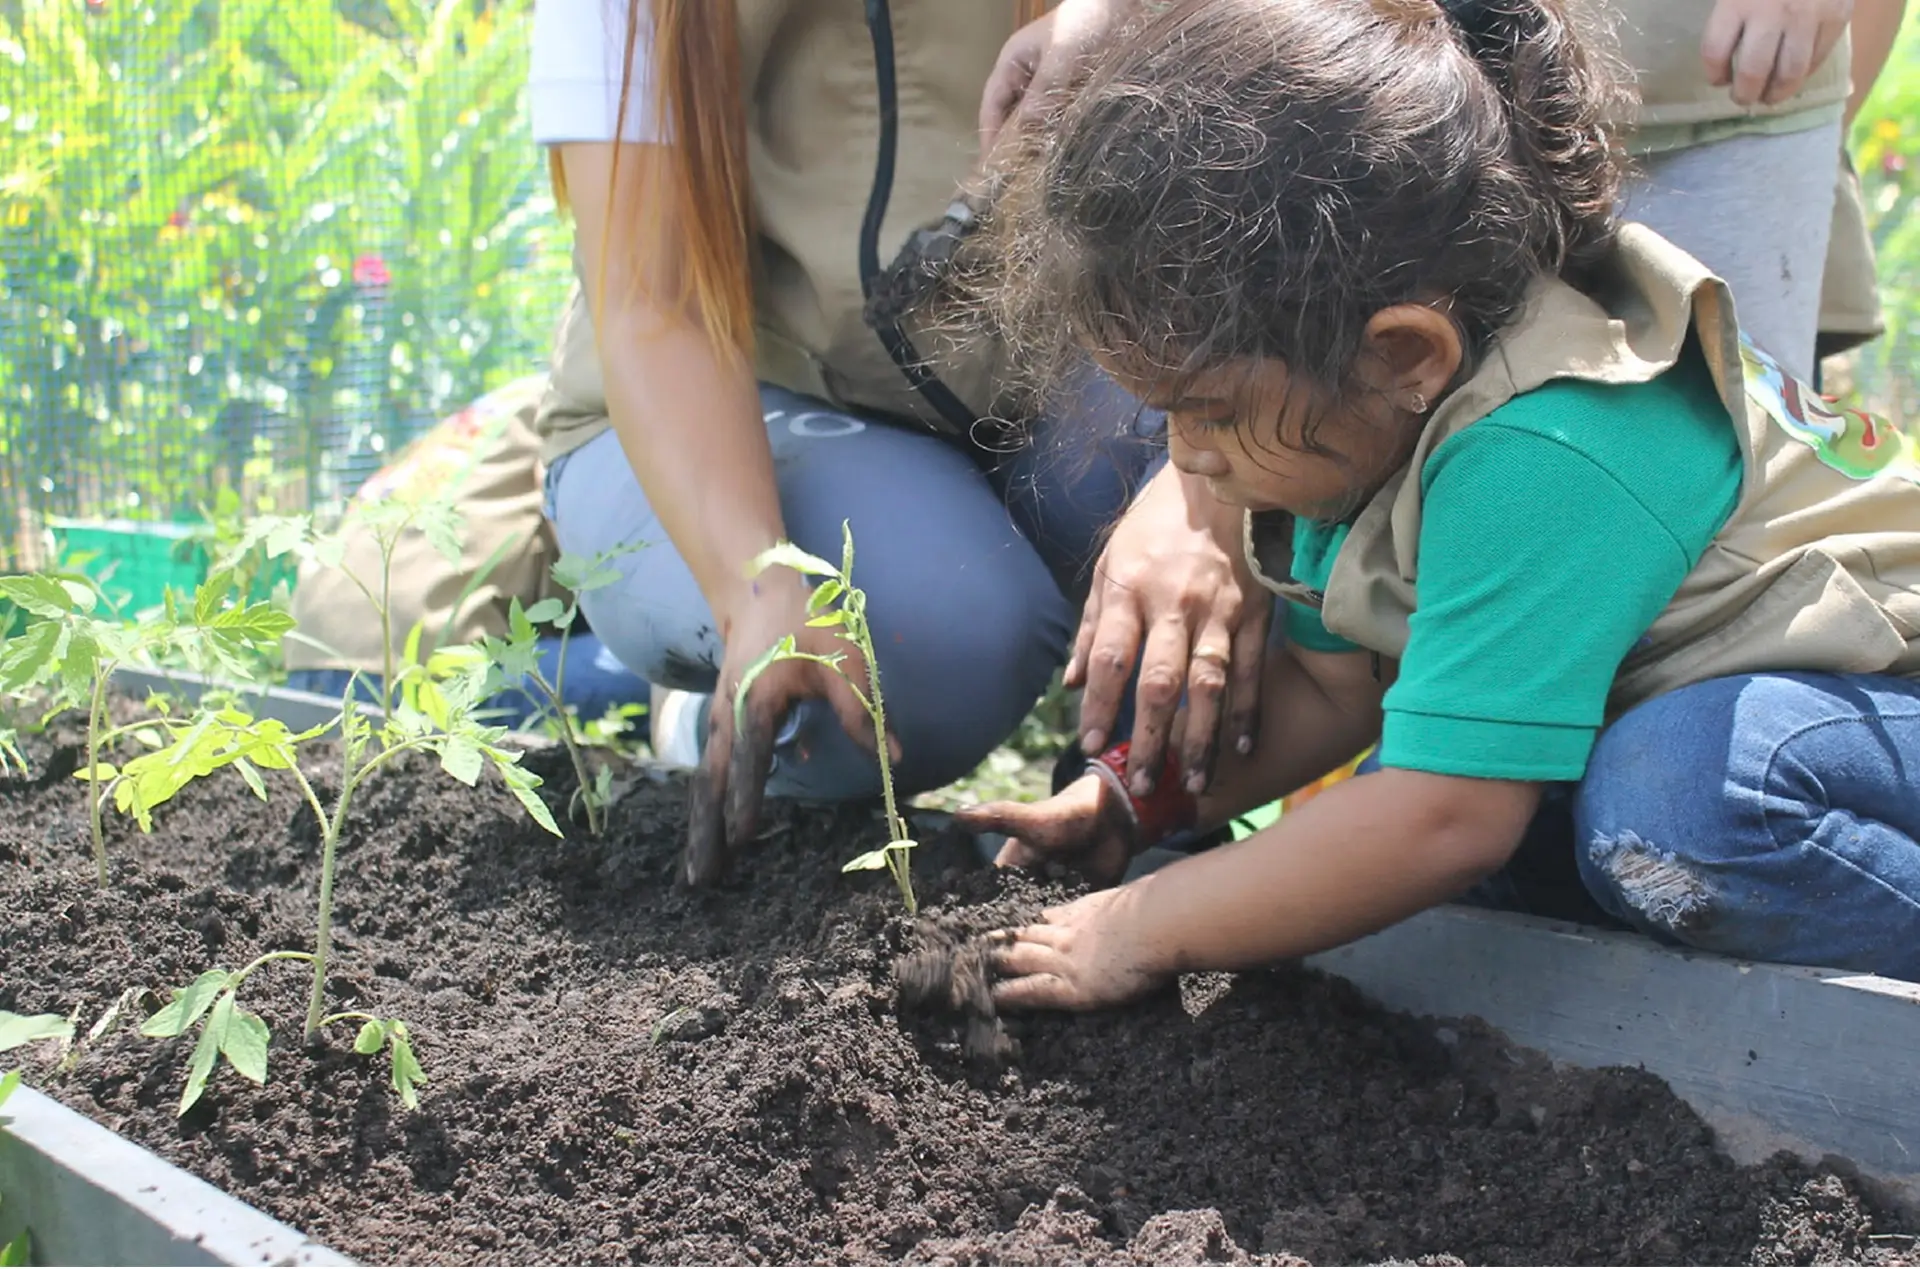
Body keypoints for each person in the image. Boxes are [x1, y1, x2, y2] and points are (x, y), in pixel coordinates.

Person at [948, 0, 1920, 1008]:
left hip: (1874, 706)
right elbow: (1339, 694)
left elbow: (1449, 815)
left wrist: (1143, 926)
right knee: (1409, 857)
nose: (1190, 460)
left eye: (1210, 413)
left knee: (1673, 808)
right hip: (1740, 712)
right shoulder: (1359, 417)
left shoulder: (1545, 446)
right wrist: (1128, 805)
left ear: (1406, 350)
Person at [526, 0, 1177, 883]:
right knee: (927, 638)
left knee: (1283, 459)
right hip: (746, 389)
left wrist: (1201, 485)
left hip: (1024, 372)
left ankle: (1147, 818)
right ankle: (694, 711)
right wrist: (754, 584)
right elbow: (653, 304)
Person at [285, 376, 651, 730]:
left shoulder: (514, 403)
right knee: (675, 677)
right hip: (422, 676)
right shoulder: (592, 400)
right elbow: (581, 528)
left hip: (305, 672)